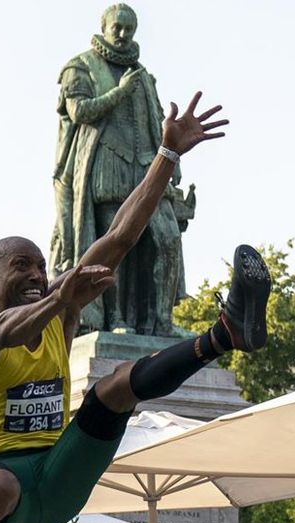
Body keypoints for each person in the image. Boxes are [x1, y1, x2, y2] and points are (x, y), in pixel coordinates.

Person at [0, 92, 269, 523]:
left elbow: (120, 235)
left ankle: (225, 334)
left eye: (40, 268)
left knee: (116, 388)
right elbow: (5, 331)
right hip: (0, 485)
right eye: (20, 267)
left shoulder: (60, 309)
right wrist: (61, 298)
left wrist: (167, 156)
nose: (35, 275)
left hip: (60, 471)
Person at [52, 3, 188, 335]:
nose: (124, 35)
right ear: (104, 26)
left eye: (130, 29)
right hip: (104, 166)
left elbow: (157, 121)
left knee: (166, 240)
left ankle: (161, 322)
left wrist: (174, 162)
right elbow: (80, 111)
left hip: (146, 166)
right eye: (118, 28)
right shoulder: (80, 66)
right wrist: (119, 92)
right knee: (113, 246)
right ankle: (115, 319)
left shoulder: (142, 73)